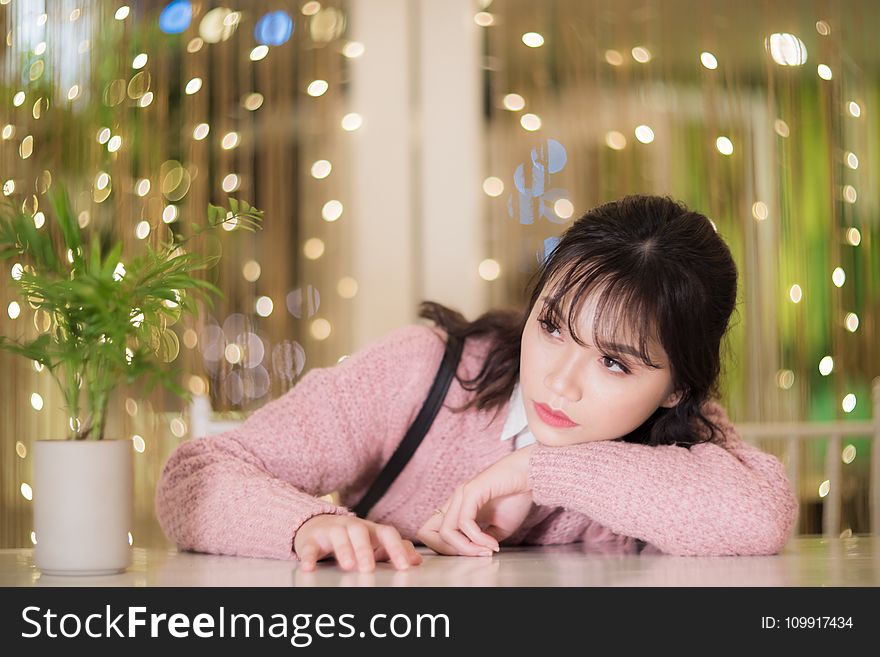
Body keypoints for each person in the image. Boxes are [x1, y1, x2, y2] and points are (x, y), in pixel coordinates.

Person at [155, 195, 799, 573]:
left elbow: (760, 516)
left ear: (677, 387)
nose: (561, 382)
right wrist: (309, 525)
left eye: (615, 363)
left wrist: (535, 469)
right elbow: (195, 476)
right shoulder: (424, 372)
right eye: (551, 327)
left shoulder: (684, 430)